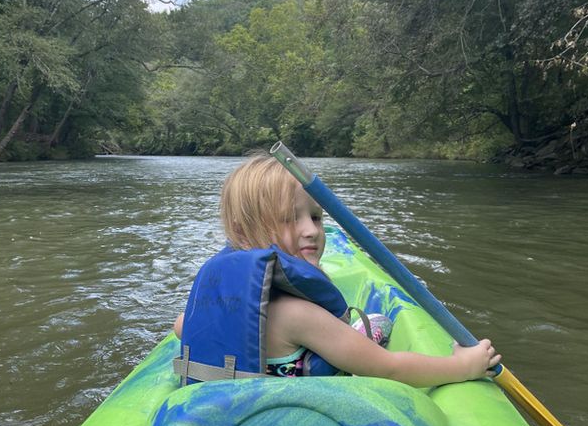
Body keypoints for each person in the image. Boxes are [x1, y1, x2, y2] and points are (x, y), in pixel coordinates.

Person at [173, 153, 500, 388]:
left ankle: (355, 334)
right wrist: (463, 366)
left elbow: (180, 327)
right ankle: (360, 334)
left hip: (233, 419)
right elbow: (389, 370)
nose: (311, 230)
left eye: (315, 217)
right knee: (380, 324)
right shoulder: (297, 315)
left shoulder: (221, 300)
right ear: (245, 230)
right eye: (290, 218)